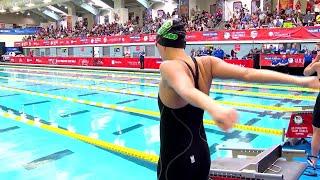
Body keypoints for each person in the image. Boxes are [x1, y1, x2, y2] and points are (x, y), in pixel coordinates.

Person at [155, 18, 320, 180]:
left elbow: (186, 89)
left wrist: (215, 108)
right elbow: (249, 74)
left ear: (159, 45)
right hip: (202, 155)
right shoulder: (206, 64)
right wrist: (300, 80)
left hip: (175, 162)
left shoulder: (169, 66)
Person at [304, 50, 320, 168]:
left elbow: (306, 73)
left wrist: (316, 58)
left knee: (317, 130)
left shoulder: (318, 65)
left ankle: (314, 161)